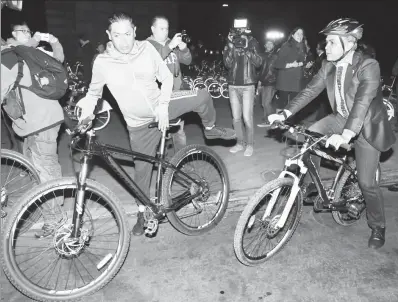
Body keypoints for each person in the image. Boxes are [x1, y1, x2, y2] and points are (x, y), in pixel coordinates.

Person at [76, 12, 236, 236]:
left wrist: (162, 105)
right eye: (117, 35)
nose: (123, 40)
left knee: (202, 95)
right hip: (138, 125)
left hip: (163, 107)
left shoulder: (146, 49)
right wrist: (86, 115)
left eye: (127, 34)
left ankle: (210, 129)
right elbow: (93, 94)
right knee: (141, 173)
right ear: (108, 36)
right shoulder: (102, 62)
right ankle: (143, 213)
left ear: (135, 32)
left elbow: (167, 77)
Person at [268, 18, 396, 249]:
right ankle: (311, 185)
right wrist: (285, 112)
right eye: (326, 42)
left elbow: (362, 102)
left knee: (367, 183)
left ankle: (378, 226)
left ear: (349, 44)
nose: (325, 47)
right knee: (311, 136)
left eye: (331, 42)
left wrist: (347, 134)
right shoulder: (328, 65)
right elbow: (309, 90)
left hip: (365, 126)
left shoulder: (368, 65)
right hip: (339, 119)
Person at [2, 21, 65, 238]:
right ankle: (50, 209)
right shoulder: (27, 52)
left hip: (40, 121)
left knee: (44, 170)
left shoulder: (13, 56)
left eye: (28, 31)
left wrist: (52, 41)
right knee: (40, 167)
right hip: (42, 120)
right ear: (12, 34)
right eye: (24, 31)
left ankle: (56, 220)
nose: (28, 34)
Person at [147, 15, 192, 150]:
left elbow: (187, 61)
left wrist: (184, 49)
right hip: (158, 98)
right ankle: (159, 163)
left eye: (166, 29)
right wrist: (170, 45)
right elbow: (152, 63)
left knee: (179, 132)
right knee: (157, 133)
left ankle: (180, 162)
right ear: (153, 29)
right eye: (161, 28)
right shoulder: (147, 45)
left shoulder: (170, 43)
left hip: (176, 93)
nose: (165, 32)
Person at [223, 25, 262, 156]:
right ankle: (240, 143)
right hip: (233, 85)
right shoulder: (231, 43)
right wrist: (230, 46)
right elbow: (227, 64)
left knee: (247, 117)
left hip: (248, 85)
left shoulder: (253, 42)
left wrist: (247, 49)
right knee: (236, 118)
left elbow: (259, 62)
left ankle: (250, 144)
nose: (239, 33)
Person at [256, 39, 278, 127]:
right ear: (265, 45)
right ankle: (267, 118)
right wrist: (259, 81)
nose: (269, 45)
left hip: (271, 82)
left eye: (271, 44)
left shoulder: (275, 56)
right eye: (267, 44)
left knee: (266, 103)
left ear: (273, 46)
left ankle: (272, 120)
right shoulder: (263, 55)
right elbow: (260, 69)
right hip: (264, 81)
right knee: (264, 103)